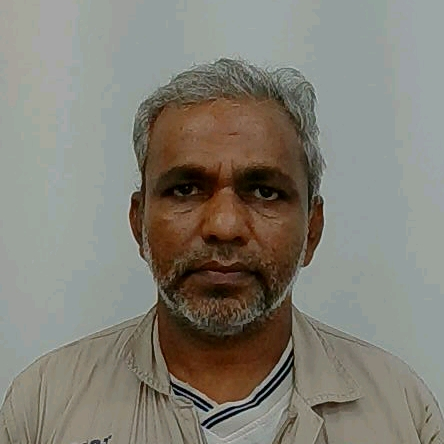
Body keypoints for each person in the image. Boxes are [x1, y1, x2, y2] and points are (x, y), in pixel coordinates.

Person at [1, 58, 443, 444]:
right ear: (138, 224)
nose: (224, 226)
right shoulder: (44, 405)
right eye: (186, 189)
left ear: (312, 229)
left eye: (264, 192)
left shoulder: (401, 411)